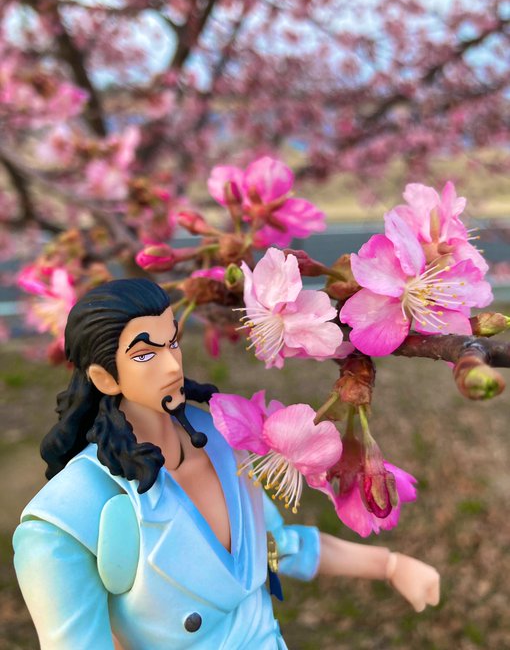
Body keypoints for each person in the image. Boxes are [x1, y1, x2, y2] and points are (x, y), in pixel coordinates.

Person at [13, 278, 440, 650]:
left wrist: (389, 565)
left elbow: (275, 546)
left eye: (173, 342)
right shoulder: (68, 519)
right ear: (104, 378)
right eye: (144, 354)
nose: (172, 365)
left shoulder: (223, 437)